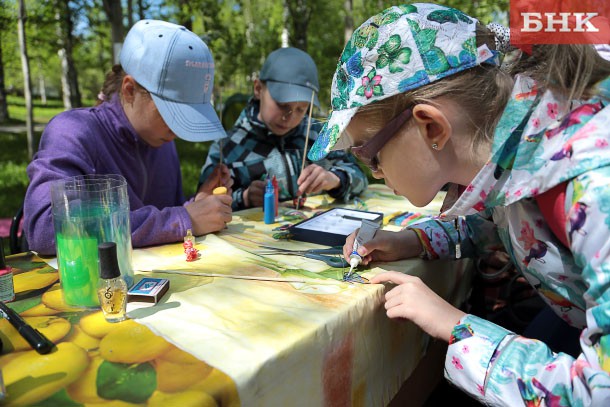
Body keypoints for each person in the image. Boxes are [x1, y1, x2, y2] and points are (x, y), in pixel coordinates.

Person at [307, 3, 610, 405]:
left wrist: (456, 325)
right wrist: (411, 241)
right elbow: (495, 224)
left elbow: (597, 392)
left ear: (431, 126)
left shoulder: (593, 188)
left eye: (369, 155)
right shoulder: (519, 145)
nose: (375, 173)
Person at [24, 19, 233, 255]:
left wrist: (196, 205)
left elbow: (162, 220)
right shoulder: (72, 132)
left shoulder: (163, 143)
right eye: (170, 113)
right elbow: (46, 229)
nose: (177, 131)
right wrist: (182, 219)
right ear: (129, 90)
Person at [199, 47, 368, 210]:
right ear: (258, 89)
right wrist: (243, 198)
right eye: (282, 105)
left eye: (301, 109)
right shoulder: (227, 146)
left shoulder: (319, 136)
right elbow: (204, 201)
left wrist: (335, 179)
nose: (290, 117)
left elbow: (360, 177)